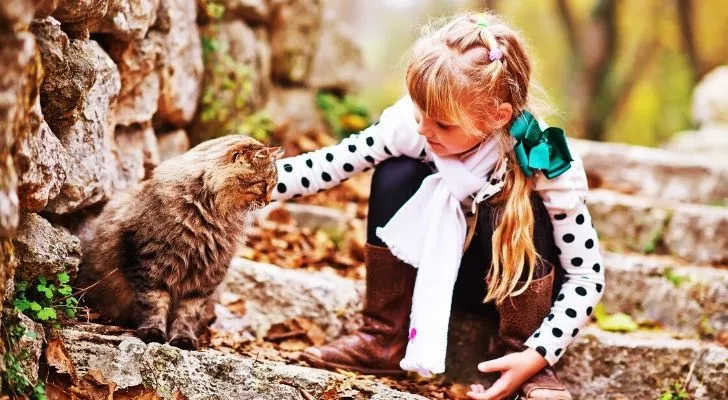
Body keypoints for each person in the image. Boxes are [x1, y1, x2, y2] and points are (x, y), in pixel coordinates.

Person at [270, 11, 604, 400]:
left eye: (443, 124)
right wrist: (244, 184)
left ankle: (520, 358)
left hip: (513, 294)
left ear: (496, 117)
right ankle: (383, 335)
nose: (425, 129)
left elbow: (586, 278)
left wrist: (537, 353)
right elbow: (327, 165)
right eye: (419, 111)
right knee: (396, 171)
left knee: (517, 205)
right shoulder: (414, 128)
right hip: (440, 273)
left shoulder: (544, 159)